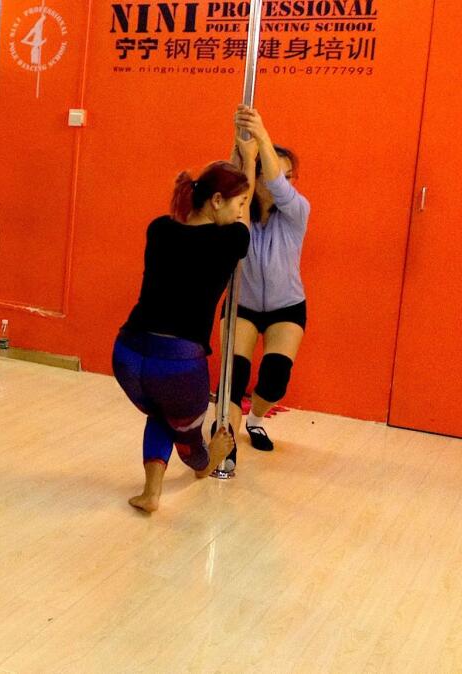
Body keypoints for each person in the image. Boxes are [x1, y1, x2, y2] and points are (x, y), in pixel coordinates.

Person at [112, 131, 259, 513]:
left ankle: (151, 492)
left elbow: (214, 208)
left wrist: (234, 161)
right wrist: (252, 158)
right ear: (216, 201)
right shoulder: (228, 243)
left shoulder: (159, 229)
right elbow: (239, 222)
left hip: (128, 354)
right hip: (177, 364)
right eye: (239, 203)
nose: (241, 211)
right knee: (190, 441)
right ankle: (210, 461)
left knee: (159, 412)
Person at [221, 105, 310, 458]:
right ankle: (223, 441)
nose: (283, 184)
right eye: (275, 175)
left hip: (286, 307)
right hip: (242, 304)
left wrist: (262, 135)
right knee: (234, 377)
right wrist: (242, 144)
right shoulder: (236, 211)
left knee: (275, 380)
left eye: (290, 177)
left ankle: (256, 417)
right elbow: (230, 180)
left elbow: (277, 186)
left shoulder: (298, 212)